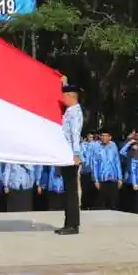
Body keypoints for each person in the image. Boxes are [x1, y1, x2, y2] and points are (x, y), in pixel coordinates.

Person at [56, 82, 84, 235]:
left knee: (71, 192)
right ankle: (69, 223)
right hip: (67, 155)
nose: (63, 99)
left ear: (71, 96)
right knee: (68, 191)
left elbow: (75, 134)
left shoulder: (75, 112)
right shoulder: (70, 111)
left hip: (71, 156)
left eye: (64, 96)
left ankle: (73, 225)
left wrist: (76, 154)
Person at [91, 131, 122, 211]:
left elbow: (117, 162)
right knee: (102, 203)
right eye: (102, 136)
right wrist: (96, 180)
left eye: (106, 136)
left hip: (113, 177)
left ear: (110, 137)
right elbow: (94, 164)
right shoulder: (97, 147)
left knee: (114, 202)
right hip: (102, 178)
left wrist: (120, 178)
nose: (104, 137)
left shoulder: (113, 146)